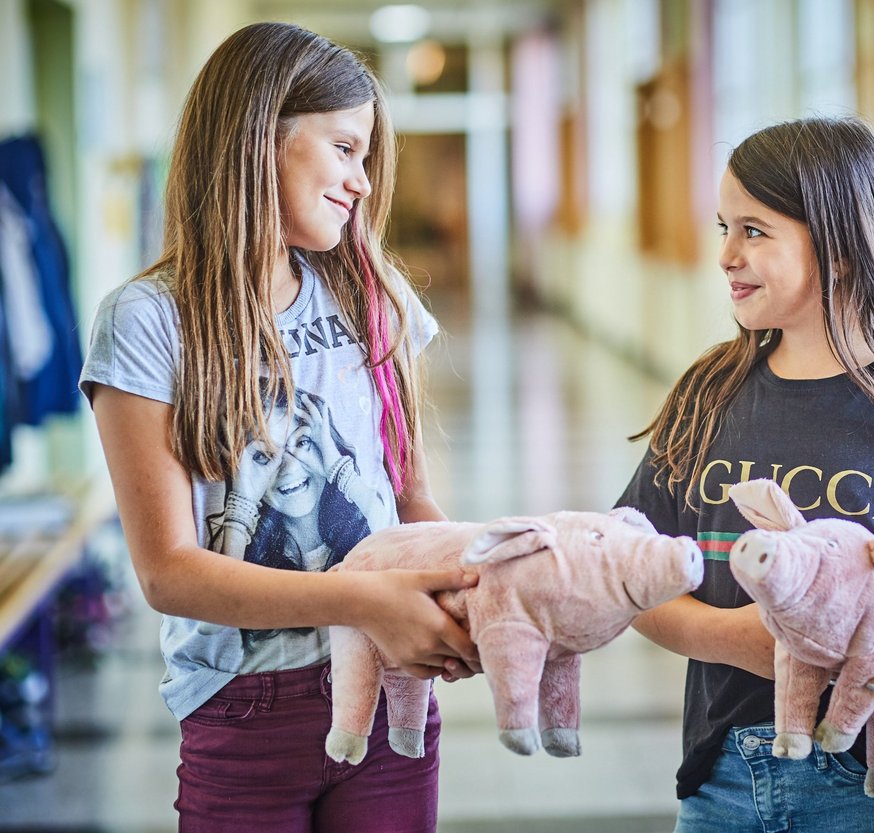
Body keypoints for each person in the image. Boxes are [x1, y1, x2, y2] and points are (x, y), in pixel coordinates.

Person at [79, 21, 479, 833]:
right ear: (262, 138)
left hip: (388, 701)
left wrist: (465, 592)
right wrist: (370, 600)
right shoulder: (148, 321)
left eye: (366, 156)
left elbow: (415, 505)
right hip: (240, 707)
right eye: (343, 148)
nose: (362, 181)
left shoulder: (377, 298)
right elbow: (170, 572)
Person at [615, 116, 874, 833]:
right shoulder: (708, 393)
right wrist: (734, 637)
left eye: (754, 230)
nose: (725, 253)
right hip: (724, 780)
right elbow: (630, 573)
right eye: (724, 225)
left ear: (840, 248)